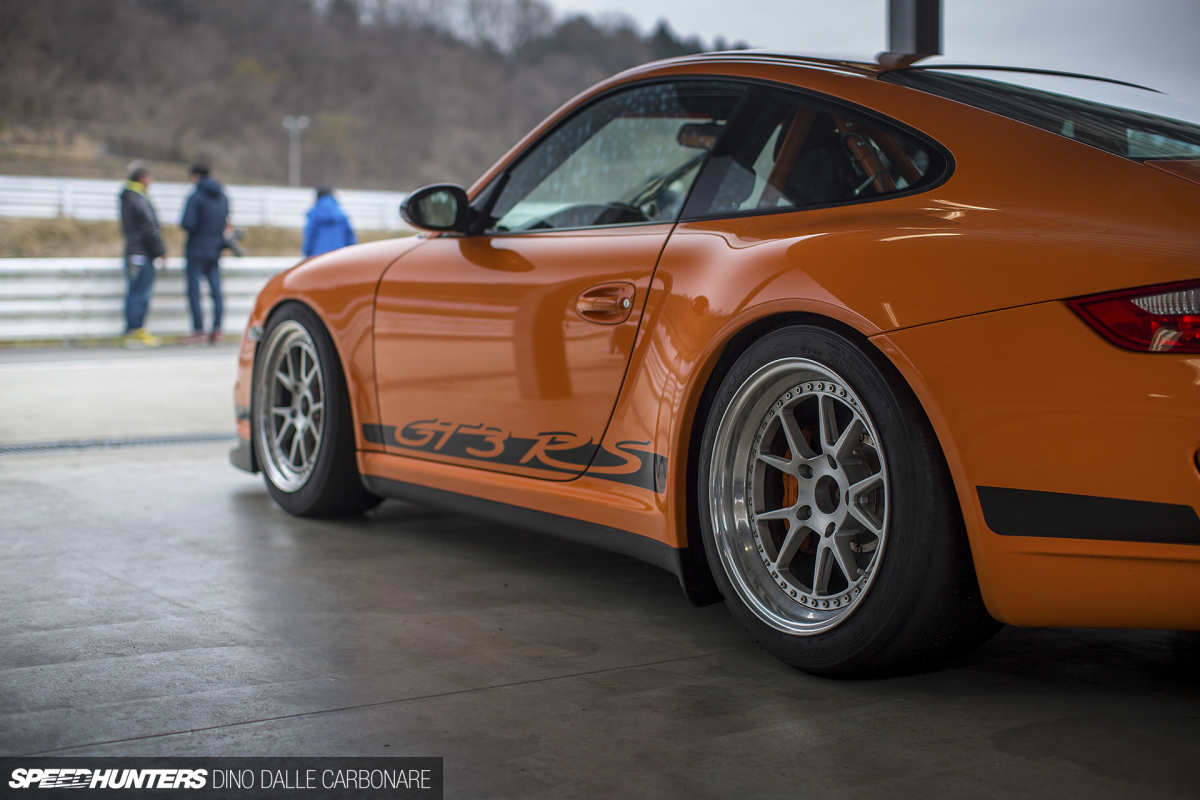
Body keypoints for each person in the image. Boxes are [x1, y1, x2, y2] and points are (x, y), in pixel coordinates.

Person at [180, 164, 230, 344]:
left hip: (196, 250)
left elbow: (187, 223)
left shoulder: (196, 197)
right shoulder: (223, 197)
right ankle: (217, 330)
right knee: (216, 291)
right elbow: (226, 223)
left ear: (195, 176)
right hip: (215, 250)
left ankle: (199, 330)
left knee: (195, 291)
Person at [119, 163, 166, 348]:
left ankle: (132, 331)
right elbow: (150, 228)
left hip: (133, 252)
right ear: (142, 178)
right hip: (142, 253)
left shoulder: (128, 197)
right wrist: (160, 251)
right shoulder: (139, 198)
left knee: (134, 292)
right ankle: (136, 331)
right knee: (140, 293)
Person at [303, 186, 356, 257]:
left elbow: (310, 236)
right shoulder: (341, 214)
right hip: (340, 256)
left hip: (318, 257)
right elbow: (349, 238)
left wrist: (308, 253)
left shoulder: (315, 214)